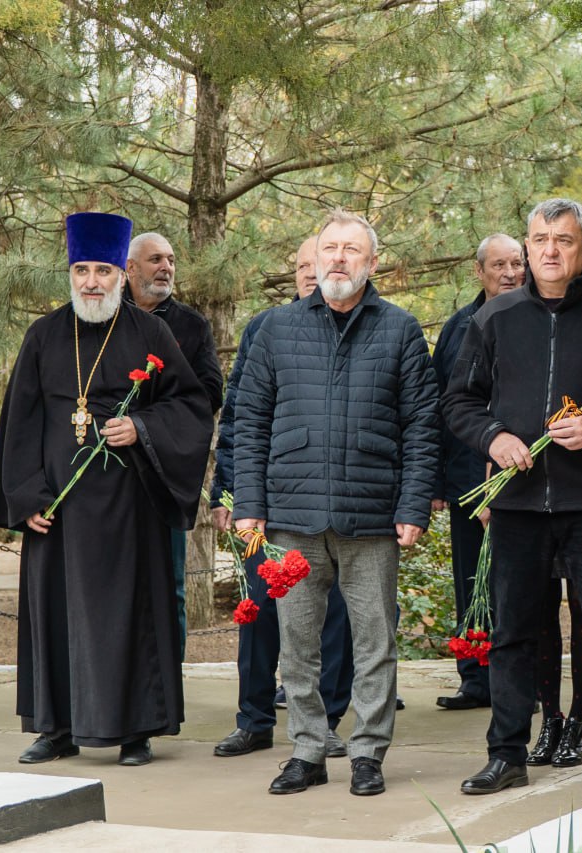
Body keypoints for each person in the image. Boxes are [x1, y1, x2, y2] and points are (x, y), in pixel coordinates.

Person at [445, 198, 582, 801]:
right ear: (527, 247)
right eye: (540, 239)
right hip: (518, 507)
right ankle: (506, 754)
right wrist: (494, 437)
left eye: (563, 240)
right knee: (513, 636)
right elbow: (459, 402)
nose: (549, 250)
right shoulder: (495, 318)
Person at [0, 212, 213, 766]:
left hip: (128, 509)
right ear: (71, 273)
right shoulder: (43, 335)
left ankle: (136, 732)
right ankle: (56, 728)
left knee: (129, 616)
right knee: (57, 617)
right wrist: (28, 497)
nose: (92, 282)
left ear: (121, 274)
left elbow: (191, 404)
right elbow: (20, 423)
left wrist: (142, 426)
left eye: (103, 271)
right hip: (58, 511)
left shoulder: (150, 333)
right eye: (82, 270)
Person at [233, 209, 440, 797]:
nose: (339, 259)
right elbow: (249, 421)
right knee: (297, 644)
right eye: (330, 249)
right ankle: (307, 750)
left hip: (371, 516)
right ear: (316, 258)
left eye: (352, 250)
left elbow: (422, 426)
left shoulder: (400, 329)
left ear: (372, 262)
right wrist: (249, 502)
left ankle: (368, 752)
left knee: (374, 642)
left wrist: (413, 506)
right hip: (292, 516)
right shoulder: (276, 328)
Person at [208, 236, 355, 761]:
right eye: (302, 265)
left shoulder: (360, 327)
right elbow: (239, 418)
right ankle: (253, 720)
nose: (312, 272)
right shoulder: (267, 328)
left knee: (334, 617)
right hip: (266, 501)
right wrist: (226, 492)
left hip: (334, 505)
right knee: (261, 611)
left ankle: (326, 720)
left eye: (320, 262)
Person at [431, 233, 523, 712]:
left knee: (515, 582)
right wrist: (436, 480)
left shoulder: (535, 318)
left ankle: (519, 683)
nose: (509, 273)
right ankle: (475, 678)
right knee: (471, 578)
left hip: (521, 474)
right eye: (499, 265)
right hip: (467, 477)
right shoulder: (458, 326)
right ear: (479, 272)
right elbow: (438, 402)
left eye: (516, 264)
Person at [124, 231, 223, 659]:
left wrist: (148, 425)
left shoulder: (191, 325)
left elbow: (209, 394)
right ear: (130, 268)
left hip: (164, 471)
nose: (166, 267)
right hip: (107, 470)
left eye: (171, 260)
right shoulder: (102, 318)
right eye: (155, 260)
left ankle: (168, 677)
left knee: (169, 584)